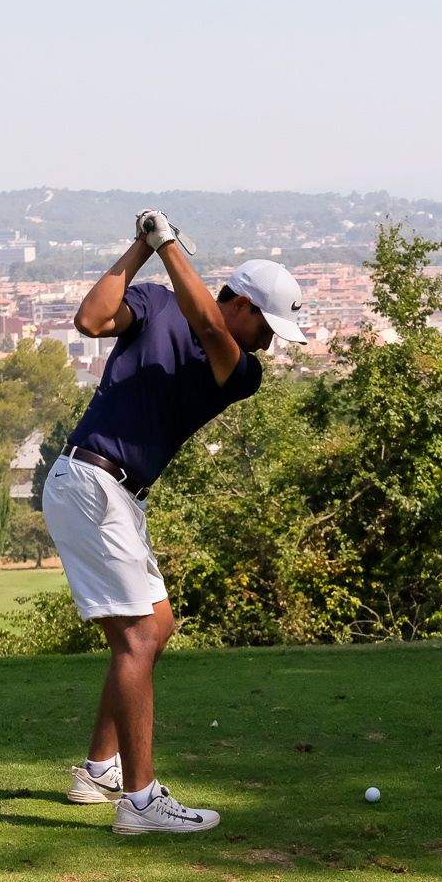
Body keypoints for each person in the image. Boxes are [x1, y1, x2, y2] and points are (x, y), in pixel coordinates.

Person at [40, 210, 307, 835]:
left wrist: (169, 245)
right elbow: (90, 319)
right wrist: (140, 248)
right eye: (267, 325)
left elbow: (209, 324)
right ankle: (139, 801)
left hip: (109, 491)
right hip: (91, 482)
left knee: (153, 628)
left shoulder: (238, 367)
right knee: (138, 638)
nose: (269, 342)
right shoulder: (156, 305)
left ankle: (100, 770)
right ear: (242, 301)